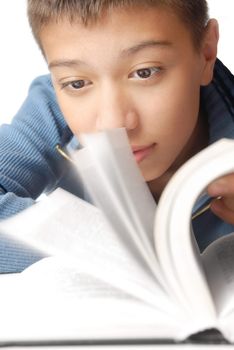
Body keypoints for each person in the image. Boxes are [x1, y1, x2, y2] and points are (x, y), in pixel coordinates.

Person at [0, 0, 234, 272]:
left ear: (206, 54)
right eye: (77, 83)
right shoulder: (53, 108)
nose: (112, 123)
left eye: (145, 72)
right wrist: (100, 249)